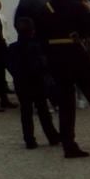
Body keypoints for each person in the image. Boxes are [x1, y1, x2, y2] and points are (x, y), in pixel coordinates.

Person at [35, 0, 90, 158]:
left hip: (56, 58)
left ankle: (69, 144)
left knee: (66, 103)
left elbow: (41, 37)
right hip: (75, 54)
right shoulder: (76, 6)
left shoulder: (45, 9)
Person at [6, 17, 60, 150]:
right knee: (43, 110)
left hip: (21, 82)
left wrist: (16, 75)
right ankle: (52, 136)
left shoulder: (13, 47)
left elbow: (9, 64)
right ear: (33, 31)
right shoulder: (37, 46)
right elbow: (43, 64)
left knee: (26, 112)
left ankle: (29, 139)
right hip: (37, 81)